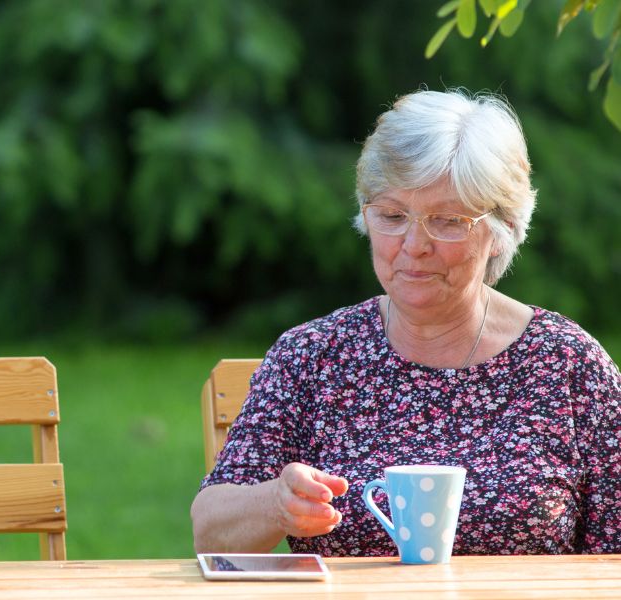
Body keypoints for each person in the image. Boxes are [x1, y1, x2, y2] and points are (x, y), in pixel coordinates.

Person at [191, 88, 621, 556]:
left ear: (500, 232)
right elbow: (211, 532)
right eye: (393, 215)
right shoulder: (313, 357)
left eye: (449, 221)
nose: (414, 244)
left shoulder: (568, 365)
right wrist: (276, 503)